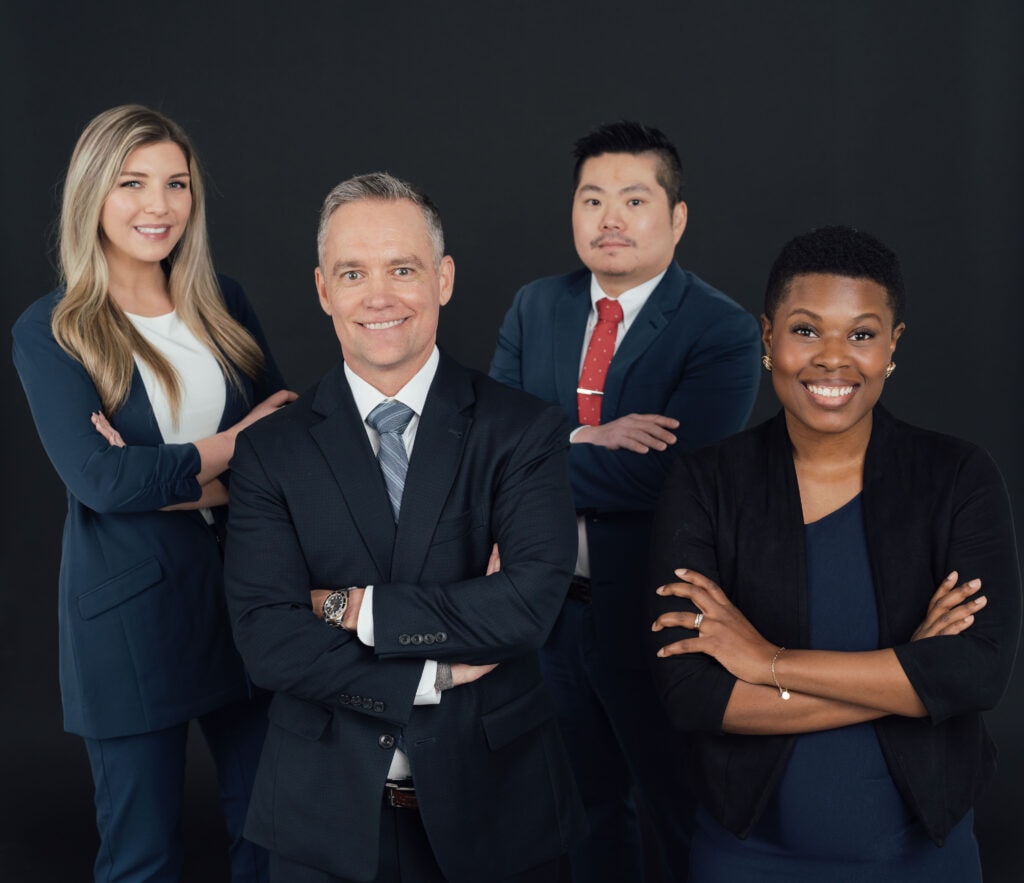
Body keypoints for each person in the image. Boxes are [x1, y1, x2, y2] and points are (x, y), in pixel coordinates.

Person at [222, 172, 586, 883]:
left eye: (403, 269)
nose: (379, 295)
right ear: (325, 289)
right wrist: (435, 670)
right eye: (354, 272)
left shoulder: (523, 429)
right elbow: (268, 640)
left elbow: (527, 606)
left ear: (443, 278)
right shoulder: (272, 449)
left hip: (498, 812)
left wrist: (353, 607)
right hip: (323, 820)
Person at [647, 225, 1021, 881]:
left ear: (892, 346)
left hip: (922, 859)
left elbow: (975, 673)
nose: (833, 358)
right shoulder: (705, 482)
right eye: (806, 330)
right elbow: (694, 694)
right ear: (768, 337)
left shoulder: (957, 475)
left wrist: (768, 661)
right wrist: (911, 677)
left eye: (861, 334)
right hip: (745, 858)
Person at [12, 104, 295, 882]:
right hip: (131, 620)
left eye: (177, 183)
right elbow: (101, 481)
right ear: (93, 194)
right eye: (133, 183)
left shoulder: (224, 304)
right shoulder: (54, 330)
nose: (159, 205)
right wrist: (231, 449)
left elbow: (291, 456)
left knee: (270, 837)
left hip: (248, 600)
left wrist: (167, 476)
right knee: (142, 857)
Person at [489, 120, 762, 881]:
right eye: (592, 199)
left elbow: (670, 478)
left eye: (634, 199)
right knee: (581, 810)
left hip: (655, 614)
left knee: (681, 808)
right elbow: (484, 453)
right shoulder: (535, 307)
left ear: (676, 218)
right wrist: (585, 441)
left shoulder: (721, 329)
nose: (610, 218)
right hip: (549, 611)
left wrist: (537, 450)